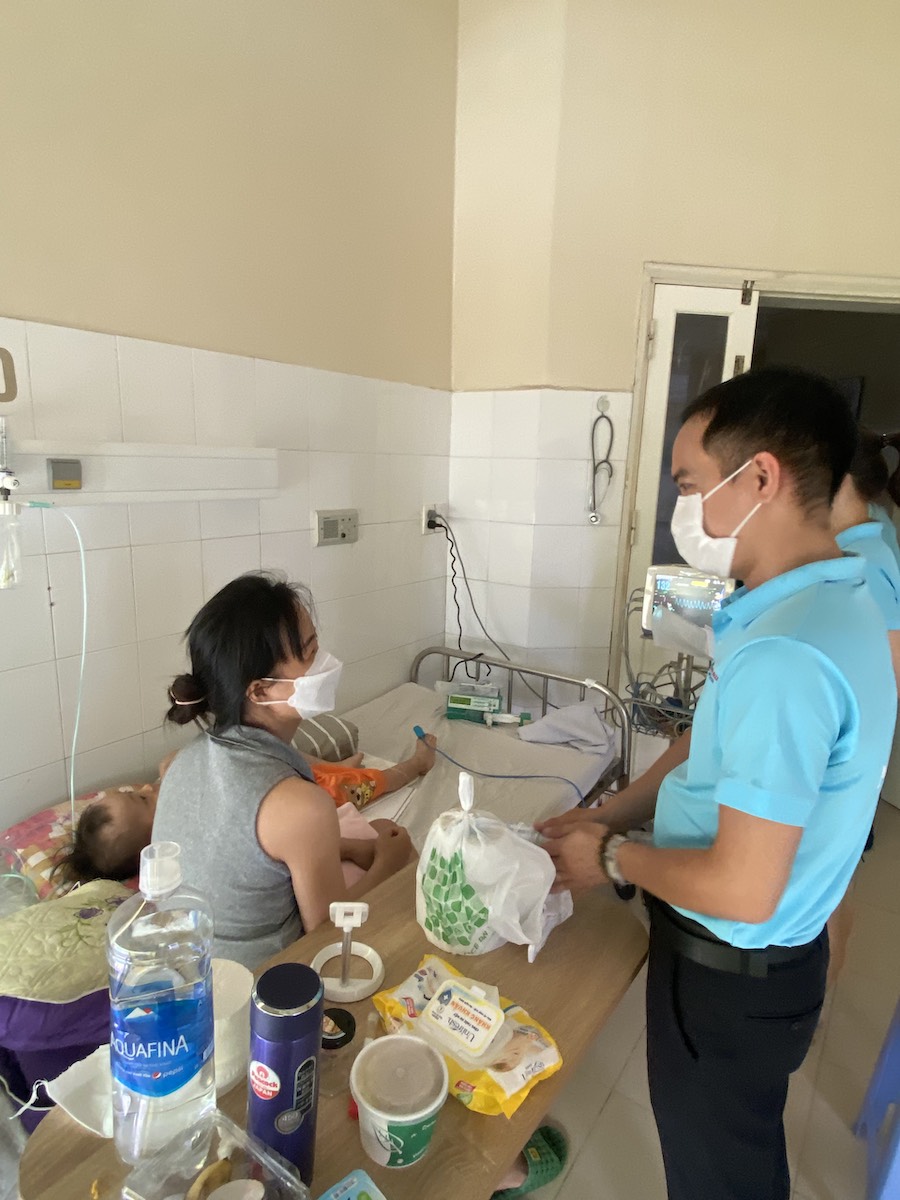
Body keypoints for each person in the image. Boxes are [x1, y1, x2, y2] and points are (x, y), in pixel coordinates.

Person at [539, 367, 897, 1200]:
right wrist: (610, 812)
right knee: (739, 1157)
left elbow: (743, 887)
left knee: (718, 1178)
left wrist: (612, 859)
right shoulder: (832, 602)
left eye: (690, 483)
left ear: (760, 478)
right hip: (772, 969)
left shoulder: (786, 656)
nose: (684, 509)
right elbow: (709, 742)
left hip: (732, 975)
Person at [151, 572, 414, 970]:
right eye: (310, 654)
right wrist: (389, 863)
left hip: (178, 969)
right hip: (251, 986)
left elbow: (242, 852)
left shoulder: (180, 762)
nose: (325, 664)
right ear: (260, 691)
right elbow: (327, 931)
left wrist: (347, 847)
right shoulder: (300, 805)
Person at [53, 735, 436, 888]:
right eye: (143, 801)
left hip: (276, 778)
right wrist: (374, 856)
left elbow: (173, 761)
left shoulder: (178, 785)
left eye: (133, 791)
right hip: (297, 797)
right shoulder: (206, 836)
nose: (148, 789)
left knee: (274, 750)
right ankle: (415, 765)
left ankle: (336, 766)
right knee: (363, 787)